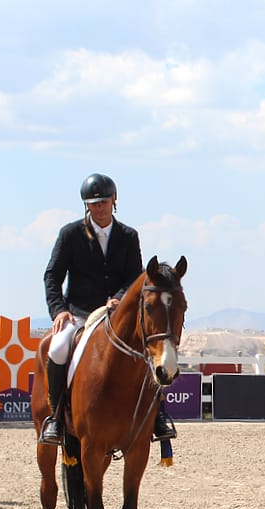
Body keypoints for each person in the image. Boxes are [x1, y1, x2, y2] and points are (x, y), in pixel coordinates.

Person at [40, 172, 177, 445]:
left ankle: (158, 415)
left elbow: (134, 277)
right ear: (86, 206)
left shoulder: (128, 235)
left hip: (116, 314)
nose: (99, 207)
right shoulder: (70, 234)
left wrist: (118, 297)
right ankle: (56, 418)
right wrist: (59, 311)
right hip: (79, 313)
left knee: (149, 350)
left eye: (104, 201)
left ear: (114, 201)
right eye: (93, 203)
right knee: (57, 348)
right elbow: (52, 275)